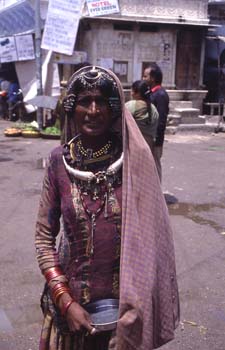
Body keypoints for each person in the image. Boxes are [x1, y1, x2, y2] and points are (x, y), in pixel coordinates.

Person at [35, 66, 179, 350]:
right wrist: (64, 300)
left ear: (114, 108)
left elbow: (153, 243)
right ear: (71, 107)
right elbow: (43, 239)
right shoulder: (57, 164)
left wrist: (136, 310)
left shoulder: (134, 162)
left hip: (124, 317)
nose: (92, 110)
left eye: (101, 101)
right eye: (84, 101)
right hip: (70, 313)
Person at [143, 63, 169, 182]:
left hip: (155, 138)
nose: (143, 79)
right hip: (149, 136)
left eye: (145, 76)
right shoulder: (151, 93)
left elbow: (161, 119)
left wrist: (156, 139)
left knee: (155, 165)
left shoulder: (161, 95)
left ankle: (157, 195)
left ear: (152, 78)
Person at [125, 80, 159, 152]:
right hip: (149, 148)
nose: (131, 93)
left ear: (137, 93)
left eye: (132, 91)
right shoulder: (154, 109)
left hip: (133, 148)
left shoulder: (131, 105)